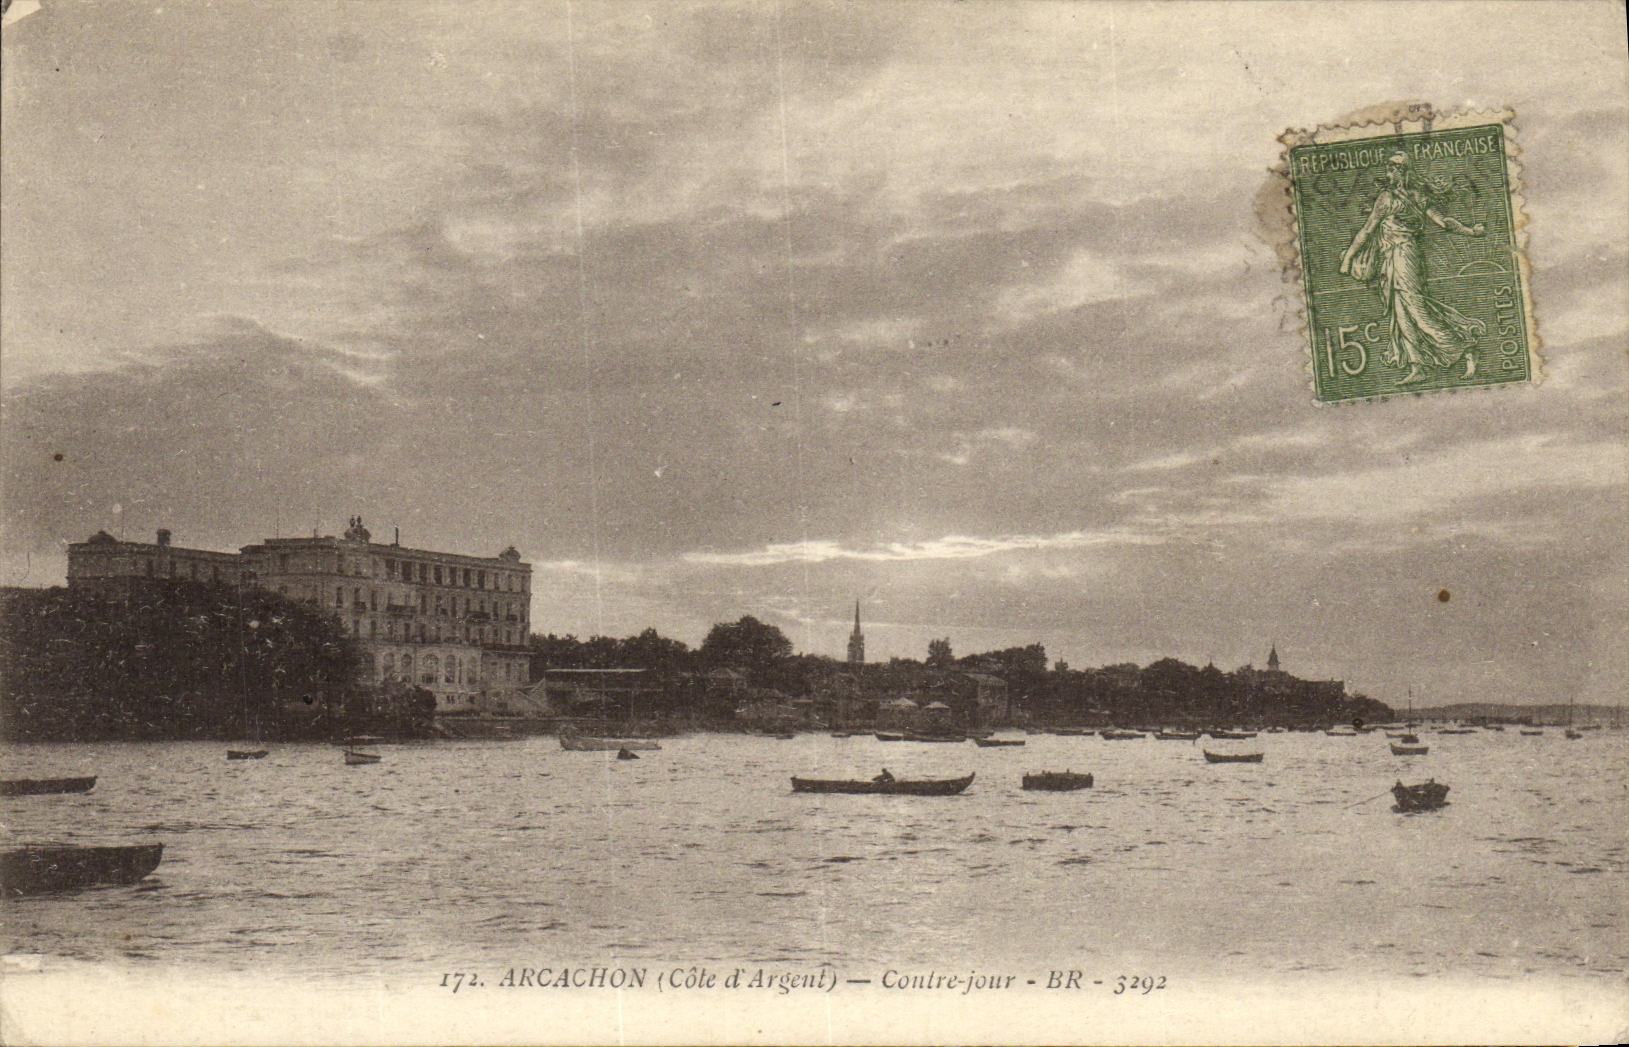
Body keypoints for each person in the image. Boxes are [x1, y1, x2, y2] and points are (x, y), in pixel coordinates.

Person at [1341, 152, 1487, 384]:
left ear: (1402, 172)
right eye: (1388, 169)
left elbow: (1367, 230)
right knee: (1401, 311)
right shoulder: (1415, 197)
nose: (1388, 174)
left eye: (1392, 170)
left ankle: (1464, 348)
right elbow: (1444, 222)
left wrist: (1348, 258)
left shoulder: (1390, 198)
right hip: (1394, 258)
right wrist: (1471, 231)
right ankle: (1417, 365)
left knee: (1416, 309)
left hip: (1403, 256)